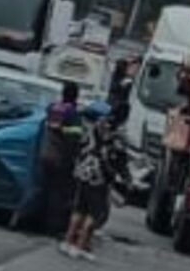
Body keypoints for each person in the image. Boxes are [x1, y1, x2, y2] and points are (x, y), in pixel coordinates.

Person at [60, 111, 129, 261]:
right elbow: (119, 159)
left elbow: (81, 146)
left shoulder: (95, 128)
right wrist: (124, 177)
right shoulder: (116, 136)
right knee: (93, 214)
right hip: (99, 177)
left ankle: (68, 241)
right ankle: (80, 246)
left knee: (79, 209)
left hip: (84, 172)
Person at [39, 82, 85, 235]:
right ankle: (52, 227)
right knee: (58, 193)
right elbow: (74, 140)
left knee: (45, 188)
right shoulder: (72, 113)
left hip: (46, 153)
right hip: (60, 158)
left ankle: (38, 220)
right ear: (76, 96)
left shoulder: (52, 107)